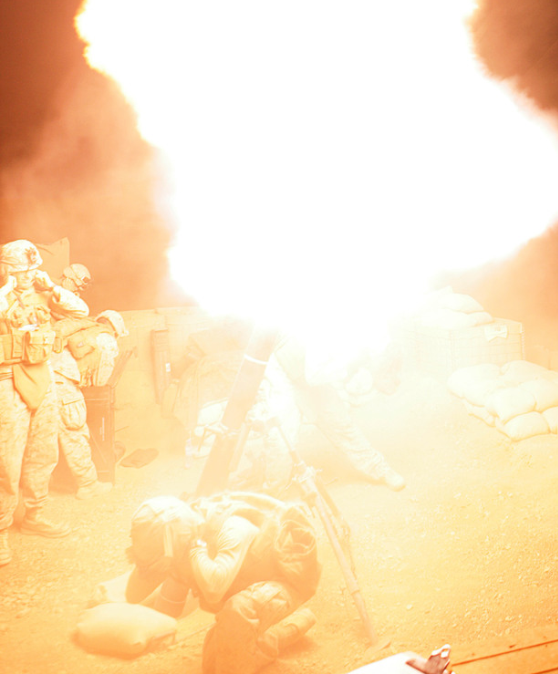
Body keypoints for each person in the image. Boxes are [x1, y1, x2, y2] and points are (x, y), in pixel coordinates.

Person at [125, 491, 321, 674]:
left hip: (285, 580)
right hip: (246, 588)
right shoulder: (180, 544)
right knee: (213, 664)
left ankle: (273, 627)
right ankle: (288, 630)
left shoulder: (231, 527)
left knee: (239, 611)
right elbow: (148, 601)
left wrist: (196, 549)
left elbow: (214, 589)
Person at [0, 240, 89, 565]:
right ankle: (0, 530)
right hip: (6, 383)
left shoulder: (43, 291)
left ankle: (35, 515)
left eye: (31, 270)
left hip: (42, 378)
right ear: (8, 268)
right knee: (6, 462)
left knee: (43, 452)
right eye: (20, 270)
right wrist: (6, 290)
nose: (26, 276)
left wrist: (51, 287)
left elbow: (81, 311)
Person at [271, 334, 406, 491]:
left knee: (339, 421)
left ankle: (378, 468)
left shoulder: (367, 343)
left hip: (307, 366)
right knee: (281, 433)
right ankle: (273, 490)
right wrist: (347, 371)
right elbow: (314, 375)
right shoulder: (330, 336)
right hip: (279, 366)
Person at [52, 308, 127, 498]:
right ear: (116, 330)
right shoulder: (107, 339)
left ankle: (47, 484)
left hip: (40, 379)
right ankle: (87, 485)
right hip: (62, 383)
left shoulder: (82, 330)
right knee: (75, 431)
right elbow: (101, 382)